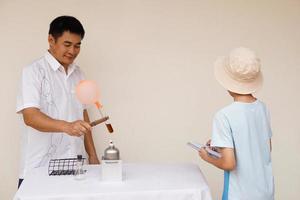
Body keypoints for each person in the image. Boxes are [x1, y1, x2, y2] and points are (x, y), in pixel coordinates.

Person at [16, 16, 101, 188]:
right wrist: (68, 126)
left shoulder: (79, 74)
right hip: (40, 171)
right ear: (51, 40)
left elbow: (83, 114)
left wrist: (92, 155)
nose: (73, 51)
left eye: (77, 46)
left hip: (76, 169)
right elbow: (30, 117)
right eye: (67, 44)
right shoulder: (33, 71)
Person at [199, 47, 274, 200]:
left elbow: (229, 163)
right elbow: (266, 148)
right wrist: (222, 144)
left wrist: (207, 157)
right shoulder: (262, 108)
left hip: (240, 194)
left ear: (228, 84)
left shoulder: (224, 116)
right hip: (265, 191)